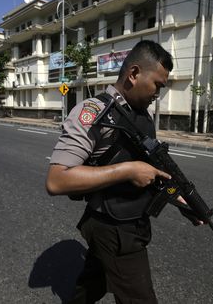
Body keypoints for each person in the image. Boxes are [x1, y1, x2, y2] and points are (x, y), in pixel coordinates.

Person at [46, 40, 201, 304]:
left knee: (93, 284)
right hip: (113, 226)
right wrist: (128, 170)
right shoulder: (92, 112)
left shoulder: (140, 114)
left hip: (131, 219)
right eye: (157, 85)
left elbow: (155, 171)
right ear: (133, 74)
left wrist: (182, 201)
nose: (158, 94)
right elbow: (57, 180)